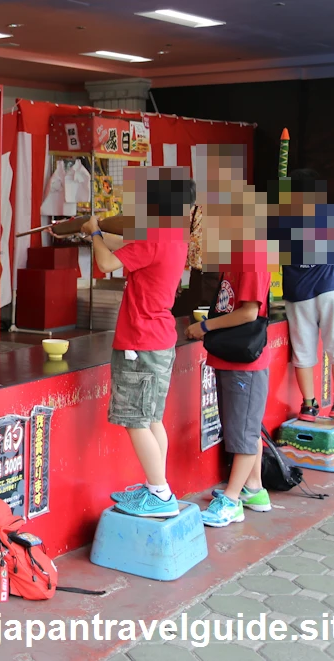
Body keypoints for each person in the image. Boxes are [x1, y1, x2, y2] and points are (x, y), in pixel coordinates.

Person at [83, 167, 194, 519]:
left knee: (135, 419)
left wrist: (95, 232)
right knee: (152, 418)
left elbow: (104, 262)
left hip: (140, 343)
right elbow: (126, 248)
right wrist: (95, 232)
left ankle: (159, 494)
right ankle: (156, 486)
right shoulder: (173, 236)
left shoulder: (155, 237)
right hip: (158, 341)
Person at [188, 147, 274, 526]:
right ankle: (254, 488)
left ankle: (233, 501)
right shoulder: (236, 253)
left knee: (242, 432)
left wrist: (204, 326)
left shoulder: (253, 252)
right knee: (242, 427)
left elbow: (249, 311)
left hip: (246, 362)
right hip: (231, 358)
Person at [273, 169, 334, 423]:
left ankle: (308, 405)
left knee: (303, 352)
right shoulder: (325, 212)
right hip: (329, 287)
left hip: (298, 294)